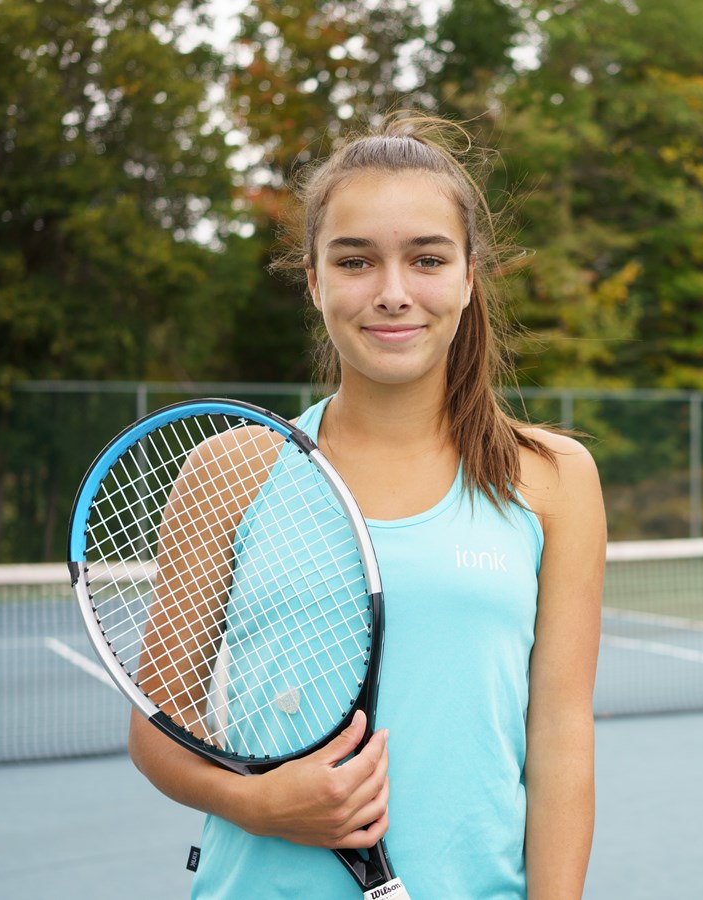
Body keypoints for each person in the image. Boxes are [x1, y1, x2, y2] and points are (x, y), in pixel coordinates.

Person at [128, 112, 606, 899]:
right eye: (355, 261)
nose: (392, 293)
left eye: (426, 258)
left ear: (467, 276)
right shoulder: (231, 468)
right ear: (314, 279)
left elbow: (560, 741)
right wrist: (258, 802)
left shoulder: (552, 478)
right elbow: (158, 730)